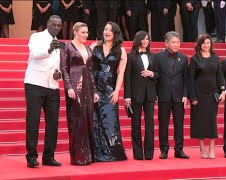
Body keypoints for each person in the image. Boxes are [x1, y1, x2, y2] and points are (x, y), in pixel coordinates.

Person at [24, 15, 63, 168]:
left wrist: (58, 74)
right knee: (33, 121)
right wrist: (49, 49)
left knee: (53, 123)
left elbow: (57, 64)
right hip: (35, 83)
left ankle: (49, 156)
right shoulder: (37, 36)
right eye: (54, 24)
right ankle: (31, 157)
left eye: (59, 25)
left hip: (53, 86)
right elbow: (34, 54)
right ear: (48, 24)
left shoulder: (60, 43)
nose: (56, 27)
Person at [60, 22, 99, 165]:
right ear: (75, 32)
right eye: (83, 32)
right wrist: (69, 87)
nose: (86, 35)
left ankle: (88, 155)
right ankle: (78, 156)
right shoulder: (67, 47)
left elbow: (90, 70)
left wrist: (94, 90)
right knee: (77, 120)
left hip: (88, 87)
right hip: (75, 87)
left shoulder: (88, 48)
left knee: (88, 119)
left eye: (87, 32)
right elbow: (64, 68)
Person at [91, 21, 128, 162]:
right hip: (94, 88)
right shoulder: (94, 46)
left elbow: (121, 72)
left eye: (110, 30)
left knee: (110, 120)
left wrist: (117, 90)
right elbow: (88, 67)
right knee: (95, 120)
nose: (106, 32)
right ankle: (96, 152)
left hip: (109, 90)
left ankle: (112, 152)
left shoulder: (121, 50)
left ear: (115, 33)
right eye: (105, 29)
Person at [188, 34, 225, 159]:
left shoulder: (215, 58)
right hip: (199, 95)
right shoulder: (194, 59)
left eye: (208, 43)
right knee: (200, 123)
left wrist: (222, 90)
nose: (206, 45)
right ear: (199, 44)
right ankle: (202, 148)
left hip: (212, 95)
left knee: (211, 122)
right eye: (203, 43)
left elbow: (219, 76)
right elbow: (190, 80)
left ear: (211, 44)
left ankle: (212, 148)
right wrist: (192, 97)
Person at [124, 31, 159, 160]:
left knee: (150, 124)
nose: (146, 41)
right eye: (144, 39)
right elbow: (127, 77)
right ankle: (138, 153)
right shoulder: (130, 56)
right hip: (135, 95)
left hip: (150, 94)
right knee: (136, 124)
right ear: (138, 40)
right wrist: (127, 96)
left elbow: (158, 74)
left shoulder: (153, 56)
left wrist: (152, 74)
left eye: (147, 39)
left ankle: (149, 153)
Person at [155, 31, 190, 159]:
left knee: (179, 124)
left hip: (179, 96)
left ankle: (179, 149)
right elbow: (156, 77)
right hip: (163, 95)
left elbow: (187, 79)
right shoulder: (157, 57)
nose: (176, 45)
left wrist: (186, 94)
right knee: (163, 124)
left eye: (178, 42)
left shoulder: (184, 58)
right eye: (173, 42)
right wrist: (155, 94)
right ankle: (164, 150)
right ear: (166, 43)